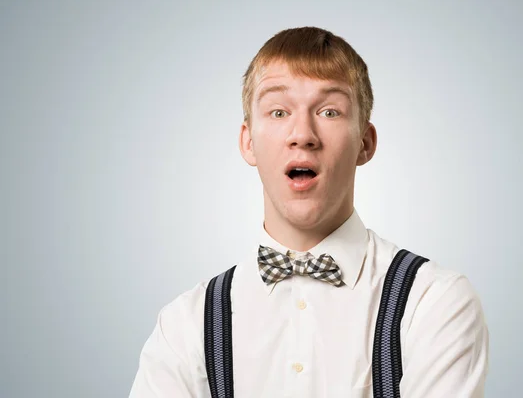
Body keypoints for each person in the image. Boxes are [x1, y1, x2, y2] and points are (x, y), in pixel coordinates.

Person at [129, 26, 489, 397]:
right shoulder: (185, 325)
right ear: (248, 142)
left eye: (330, 111)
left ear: (364, 143)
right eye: (279, 111)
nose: (303, 134)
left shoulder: (433, 302)